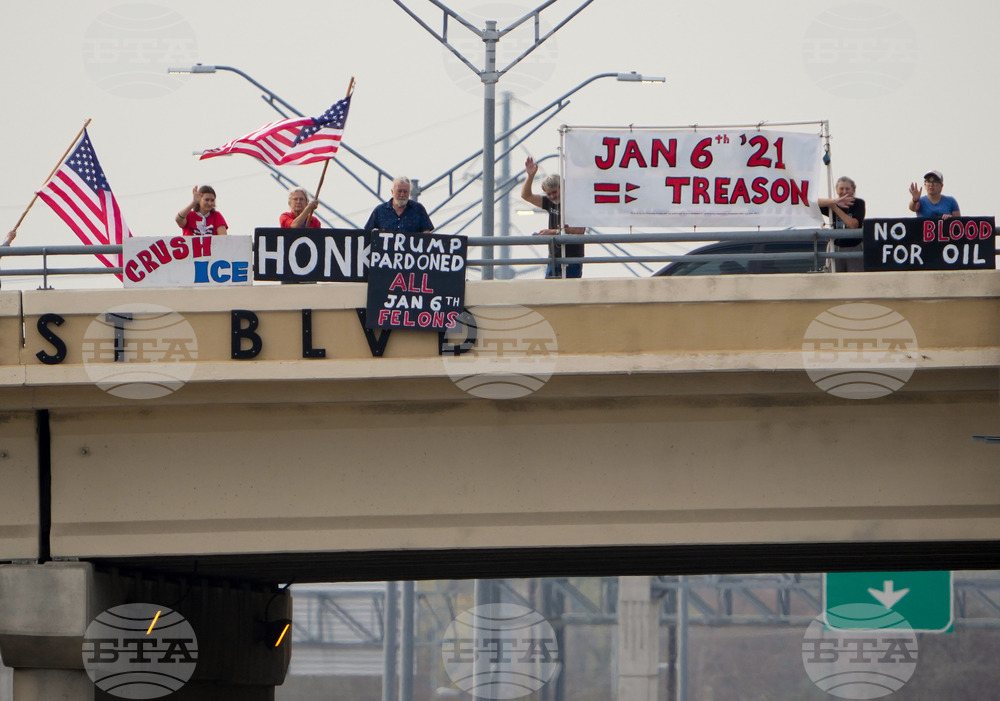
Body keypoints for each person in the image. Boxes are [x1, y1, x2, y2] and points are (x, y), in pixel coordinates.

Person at [520, 156, 585, 278]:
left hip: (572, 258)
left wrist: (552, 232)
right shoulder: (549, 202)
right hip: (554, 256)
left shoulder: (576, 202)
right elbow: (526, 196)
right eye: (548, 194)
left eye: (554, 192)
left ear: (563, 187)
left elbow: (579, 230)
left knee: (569, 292)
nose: (552, 196)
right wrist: (530, 177)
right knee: (551, 293)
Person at [819, 176, 865, 272]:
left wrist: (835, 208)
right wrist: (833, 202)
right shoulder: (832, 203)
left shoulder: (858, 203)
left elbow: (853, 225)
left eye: (847, 189)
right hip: (836, 247)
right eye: (841, 189)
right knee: (835, 279)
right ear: (836, 190)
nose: (844, 191)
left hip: (854, 247)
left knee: (855, 280)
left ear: (853, 190)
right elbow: (812, 202)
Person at [364, 176, 433, 233]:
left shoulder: (418, 209)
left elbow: (426, 235)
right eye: (399, 191)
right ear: (392, 192)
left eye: (405, 192)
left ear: (409, 193)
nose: (402, 194)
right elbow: (366, 234)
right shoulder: (379, 211)